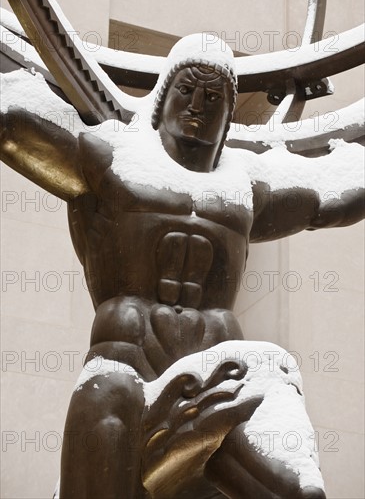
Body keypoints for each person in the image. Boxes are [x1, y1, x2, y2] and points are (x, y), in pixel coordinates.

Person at [1, 35, 363, 499]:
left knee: (286, 434)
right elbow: (13, 124)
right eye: (186, 91)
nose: (197, 105)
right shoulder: (113, 161)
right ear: (162, 100)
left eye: (213, 98)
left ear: (229, 115)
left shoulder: (245, 189)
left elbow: (329, 197)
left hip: (218, 381)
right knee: (105, 397)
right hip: (125, 374)